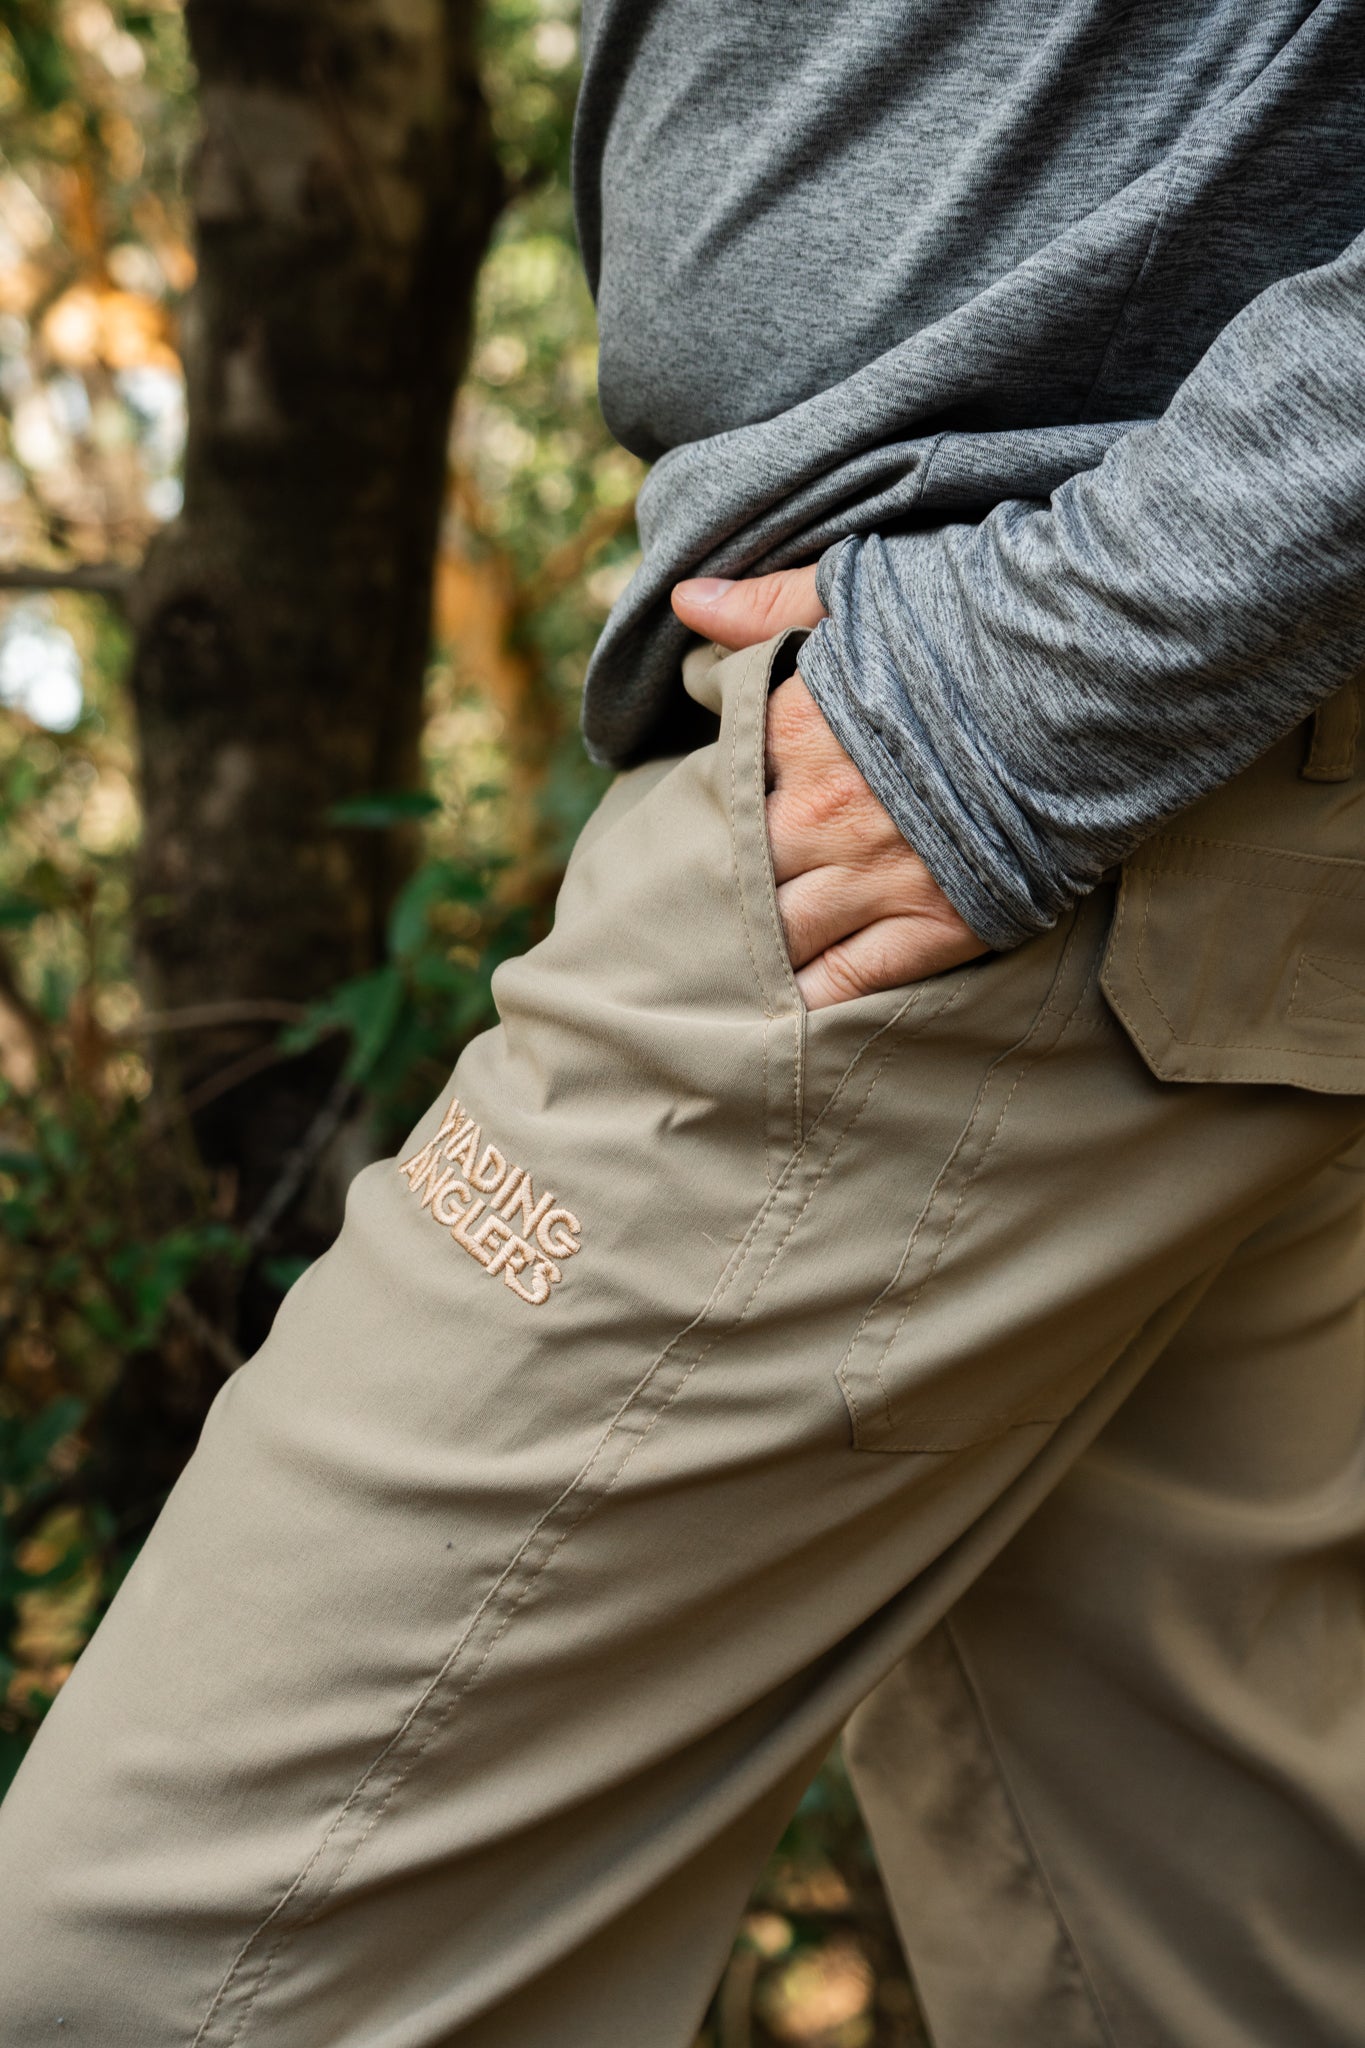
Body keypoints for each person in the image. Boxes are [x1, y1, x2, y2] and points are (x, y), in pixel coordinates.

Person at [3, 4, 1365, 2043]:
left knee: (126, 1980)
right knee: (1191, 1984)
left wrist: (1049, 683)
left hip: (1000, 786)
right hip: (1119, 798)